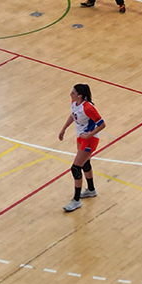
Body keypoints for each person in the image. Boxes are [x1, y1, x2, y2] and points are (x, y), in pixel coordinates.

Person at [58, 83, 106, 212]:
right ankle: (91, 190)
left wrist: (89, 134)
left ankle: (76, 200)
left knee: (75, 168)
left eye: (73, 93)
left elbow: (102, 124)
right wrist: (64, 129)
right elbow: (73, 115)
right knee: (85, 163)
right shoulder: (75, 103)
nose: (70, 94)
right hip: (80, 137)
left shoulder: (88, 108)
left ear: (80, 95)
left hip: (89, 139)